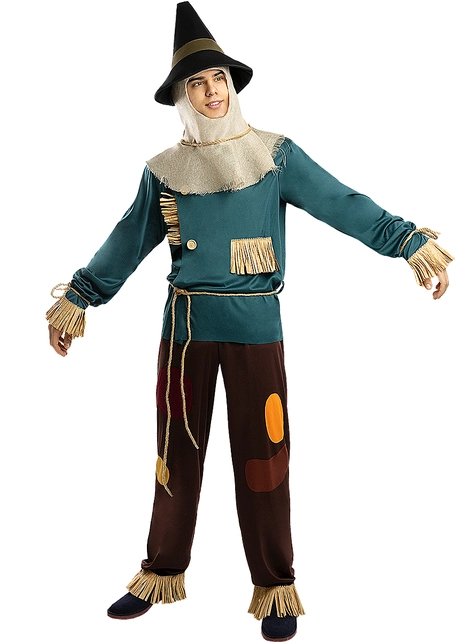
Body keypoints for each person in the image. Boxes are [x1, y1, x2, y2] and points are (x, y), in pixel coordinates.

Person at [46, 3, 453, 640]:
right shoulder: (163, 172)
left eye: (220, 79)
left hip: (256, 328)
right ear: (181, 97)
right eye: (197, 83)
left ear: (233, 86)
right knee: (175, 455)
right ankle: (161, 570)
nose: (212, 92)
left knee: (265, 457)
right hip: (184, 331)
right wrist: (78, 297)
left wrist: (409, 243)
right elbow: (127, 241)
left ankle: (275, 585)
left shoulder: (275, 155)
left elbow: (342, 202)